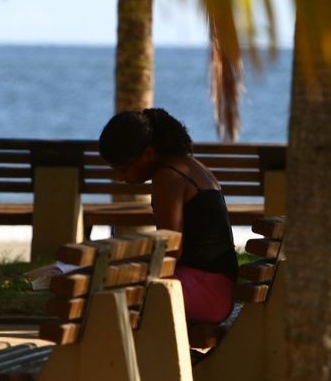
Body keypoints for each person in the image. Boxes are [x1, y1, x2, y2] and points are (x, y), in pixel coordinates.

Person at [98, 108, 237, 324]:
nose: (119, 177)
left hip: (200, 290)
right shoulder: (191, 167)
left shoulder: (169, 177)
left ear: (149, 154)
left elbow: (170, 250)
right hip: (217, 290)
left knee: (101, 293)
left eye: (124, 168)